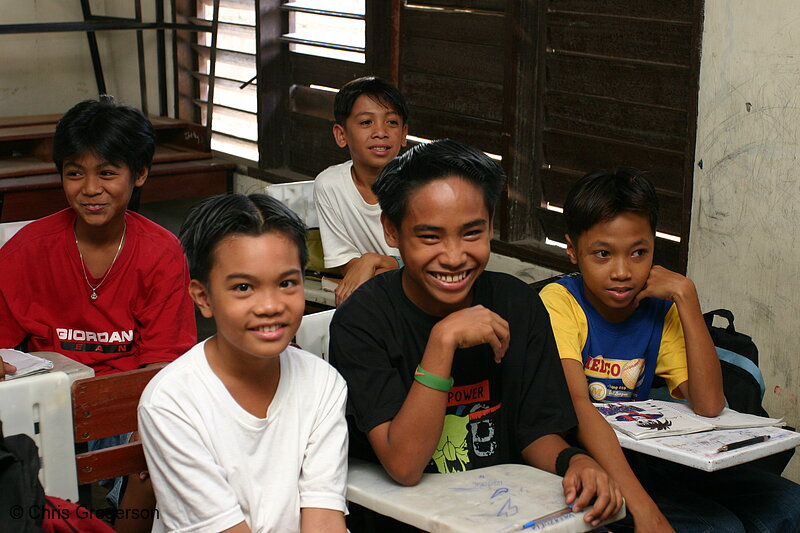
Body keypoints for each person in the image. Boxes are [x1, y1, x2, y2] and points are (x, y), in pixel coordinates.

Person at [329, 139, 622, 531]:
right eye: (430, 237)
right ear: (392, 230)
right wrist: (442, 341)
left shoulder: (516, 302)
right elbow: (404, 464)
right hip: (411, 520)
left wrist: (576, 461)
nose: (453, 256)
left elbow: (534, 432)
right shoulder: (362, 320)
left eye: (471, 233)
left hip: (506, 512)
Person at [539, 168, 800, 533]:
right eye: (602, 253)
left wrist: (686, 298)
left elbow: (710, 404)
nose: (622, 271)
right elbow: (579, 408)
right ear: (571, 250)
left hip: (643, 457)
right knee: (717, 528)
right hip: (585, 462)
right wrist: (645, 511)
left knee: (790, 504)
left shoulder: (659, 309)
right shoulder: (560, 303)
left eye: (638, 253)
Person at [0, 96, 196, 532]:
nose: (90, 188)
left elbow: (164, 366)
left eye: (107, 173)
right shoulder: (26, 251)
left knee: (156, 435)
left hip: (127, 405)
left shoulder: (161, 252)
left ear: (139, 174)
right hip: (44, 408)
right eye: (75, 173)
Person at [139, 193, 349, 533]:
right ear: (203, 298)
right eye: (243, 287)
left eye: (286, 283)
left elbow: (324, 519)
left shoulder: (323, 384)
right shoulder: (171, 402)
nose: (269, 305)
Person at [313, 76, 408, 305]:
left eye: (392, 122)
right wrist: (368, 264)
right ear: (341, 134)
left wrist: (372, 260)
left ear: (404, 134)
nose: (381, 132)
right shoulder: (330, 184)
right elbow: (345, 261)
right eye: (366, 122)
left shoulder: (420, 185)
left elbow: (430, 260)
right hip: (376, 283)